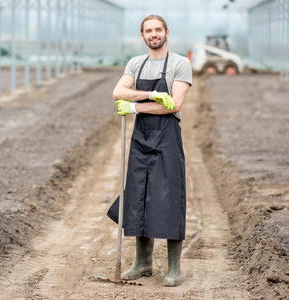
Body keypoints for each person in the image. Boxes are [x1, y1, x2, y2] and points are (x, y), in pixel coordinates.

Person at [107, 14, 192, 287]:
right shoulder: (136, 63)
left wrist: (135, 106)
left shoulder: (180, 64)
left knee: (168, 198)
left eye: (158, 29)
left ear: (167, 32)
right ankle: (142, 263)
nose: (154, 34)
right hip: (141, 139)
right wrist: (151, 95)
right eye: (148, 31)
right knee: (139, 195)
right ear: (142, 36)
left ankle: (174, 268)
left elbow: (175, 105)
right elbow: (118, 91)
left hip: (167, 139)